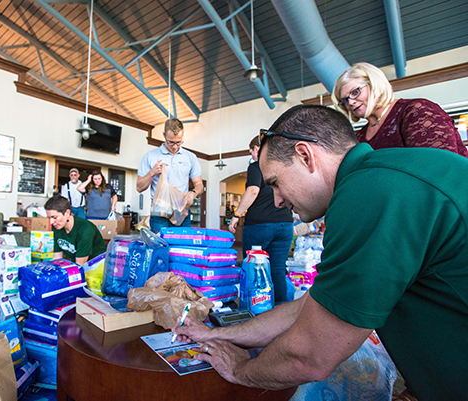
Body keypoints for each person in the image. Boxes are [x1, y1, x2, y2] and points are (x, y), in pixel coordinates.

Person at [175, 105, 468, 401]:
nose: (276, 201)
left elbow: (311, 355)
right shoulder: (381, 175)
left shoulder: (368, 194)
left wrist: (241, 370)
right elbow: (306, 308)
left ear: (305, 156)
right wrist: (217, 334)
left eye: (275, 183)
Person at [332, 62, 468, 157]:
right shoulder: (359, 137)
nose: (350, 102)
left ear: (374, 84)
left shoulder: (416, 111)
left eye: (355, 92)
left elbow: (439, 167)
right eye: (344, 100)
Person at [228, 135, 293, 304]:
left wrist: (236, 215)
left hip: (259, 225)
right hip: (285, 223)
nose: (252, 156)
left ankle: (254, 308)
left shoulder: (256, 167)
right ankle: (279, 311)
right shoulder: (284, 167)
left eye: (251, 152)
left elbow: (252, 191)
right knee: (278, 269)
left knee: (253, 268)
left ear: (256, 149)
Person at [137, 118, 203, 232]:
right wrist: (152, 173)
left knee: (183, 248)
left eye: (179, 142)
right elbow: (139, 187)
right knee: (161, 247)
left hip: (181, 212)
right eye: (171, 142)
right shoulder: (150, 156)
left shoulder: (190, 157)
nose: (175, 147)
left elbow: (199, 185)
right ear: (164, 135)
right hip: (160, 214)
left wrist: (193, 193)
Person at [44, 194, 106, 265]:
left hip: (96, 266)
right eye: (49, 218)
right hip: (78, 265)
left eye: (54, 217)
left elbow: (80, 265)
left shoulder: (85, 230)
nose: (51, 222)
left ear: (67, 213)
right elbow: (57, 258)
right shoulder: (58, 227)